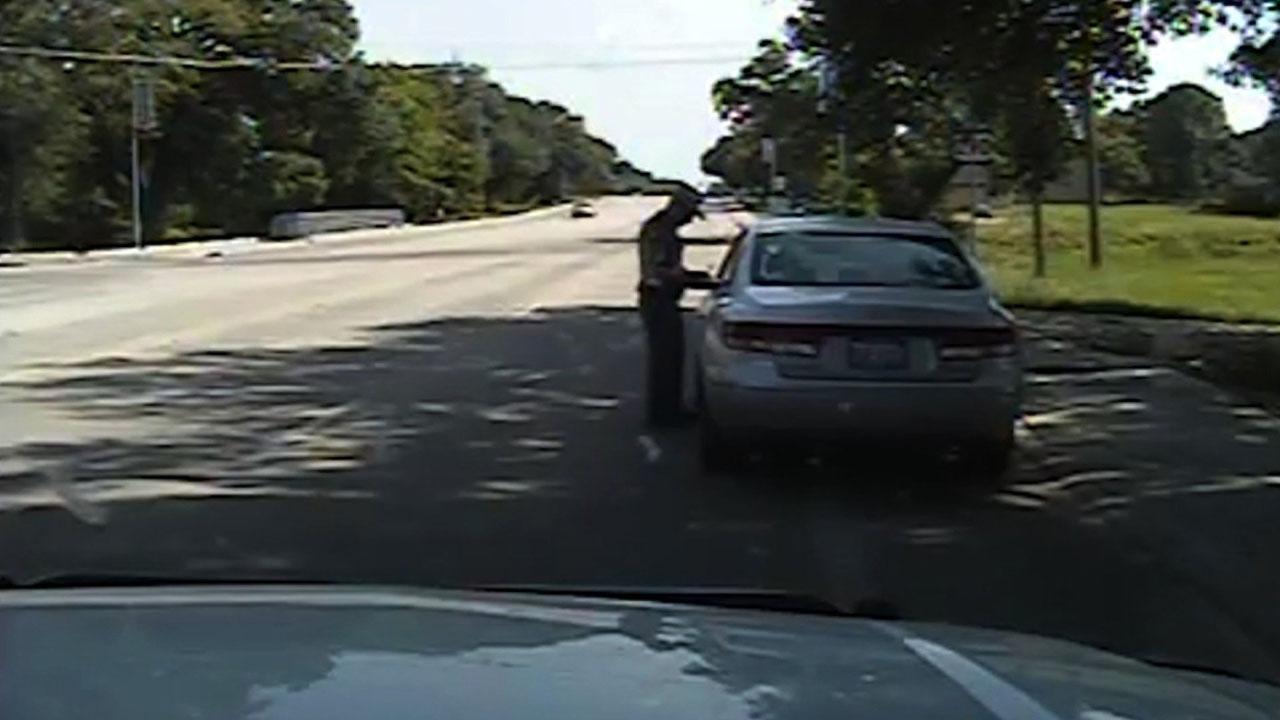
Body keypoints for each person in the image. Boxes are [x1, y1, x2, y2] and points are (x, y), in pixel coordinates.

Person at [636, 189, 703, 428]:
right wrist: (689, 279)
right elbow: (656, 270)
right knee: (665, 358)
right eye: (689, 214)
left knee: (672, 357)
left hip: (665, 297)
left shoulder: (665, 229)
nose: (690, 220)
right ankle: (664, 414)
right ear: (678, 209)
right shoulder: (659, 231)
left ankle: (670, 408)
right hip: (658, 298)